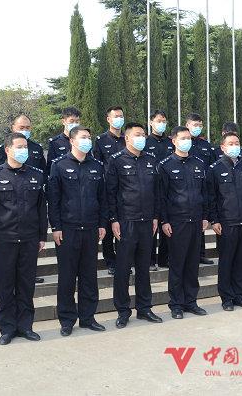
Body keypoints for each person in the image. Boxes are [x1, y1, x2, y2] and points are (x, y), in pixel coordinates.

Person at [0, 132, 47, 346]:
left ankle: (26, 326)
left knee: (26, 285)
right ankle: (7, 328)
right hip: (4, 240)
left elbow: (41, 208)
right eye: (19, 147)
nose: (23, 151)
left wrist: (41, 236)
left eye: (25, 147)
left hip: (29, 239)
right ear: (8, 149)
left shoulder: (36, 175)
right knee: (5, 286)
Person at [47, 126, 108, 336]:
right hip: (67, 229)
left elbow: (102, 198)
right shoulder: (59, 165)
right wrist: (56, 227)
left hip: (90, 228)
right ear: (72, 141)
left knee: (89, 276)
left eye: (89, 137)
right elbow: (53, 199)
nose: (87, 140)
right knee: (67, 277)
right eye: (83, 137)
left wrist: (102, 224)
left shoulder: (97, 166)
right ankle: (66, 320)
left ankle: (88, 317)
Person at [106, 122, 163, 328]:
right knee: (123, 269)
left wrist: (155, 217)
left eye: (143, 134)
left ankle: (144, 308)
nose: (142, 138)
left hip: (147, 222)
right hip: (126, 222)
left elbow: (156, 192)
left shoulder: (150, 160)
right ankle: (123, 310)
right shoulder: (116, 160)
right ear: (127, 138)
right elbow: (110, 193)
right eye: (137, 134)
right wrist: (113, 220)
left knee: (143, 268)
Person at [158, 126, 209, 319]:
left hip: (196, 221)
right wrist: (164, 221)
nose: (187, 141)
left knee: (192, 264)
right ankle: (176, 304)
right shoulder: (166, 165)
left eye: (189, 138)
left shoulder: (198, 163)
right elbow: (162, 197)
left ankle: (191, 301)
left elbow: (204, 193)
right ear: (174, 141)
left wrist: (205, 216)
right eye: (183, 138)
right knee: (177, 265)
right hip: (177, 222)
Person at [206, 132, 242, 311]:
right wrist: (214, 220)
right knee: (226, 261)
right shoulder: (215, 169)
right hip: (226, 223)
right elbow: (211, 197)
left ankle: (239, 295)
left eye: (237, 142)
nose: (235, 146)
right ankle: (226, 298)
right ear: (223, 147)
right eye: (231, 143)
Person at [94, 106, 127, 275]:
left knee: (123, 227)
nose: (119, 119)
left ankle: (123, 260)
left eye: (121, 116)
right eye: (116, 116)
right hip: (107, 189)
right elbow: (98, 164)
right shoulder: (100, 140)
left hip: (125, 189)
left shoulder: (126, 139)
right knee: (108, 227)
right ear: (108, 119)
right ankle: (110, 261)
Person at [145, 110, 174, 271]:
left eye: (163, 121)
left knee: (166, 223)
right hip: (151, 186)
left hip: (169, 187)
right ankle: (150, 260)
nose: (161, 123)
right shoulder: (145, 141)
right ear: (151, 122)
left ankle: (164, 258)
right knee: (152, 225)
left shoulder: (170, 142)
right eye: (158, 121)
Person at [185, 113, 214, 265]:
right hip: (186, 186)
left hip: (203, 186)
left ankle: (200, 254)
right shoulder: (183, 142)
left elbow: (212, 166)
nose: (197, 128)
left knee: (201, 221)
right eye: (194, 125)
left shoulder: (206, 145)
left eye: (200, 125)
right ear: (187, 125)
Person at [46, 106, 82, 175]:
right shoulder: (55, 142)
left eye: (77, 121)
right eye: (71, 121)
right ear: (63, 121)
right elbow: (50, 167)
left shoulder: (83, 141)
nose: (75, 124)